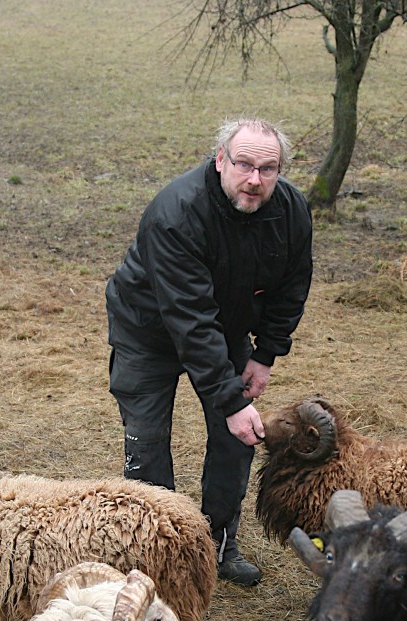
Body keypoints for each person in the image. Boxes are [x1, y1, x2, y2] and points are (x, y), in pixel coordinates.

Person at [105, 118, 314, 587]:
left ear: (280, 171)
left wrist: (265, 354)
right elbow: (189, 318)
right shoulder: (176, 212)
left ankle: (218, 544)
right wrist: (231, 400)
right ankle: (159, 554)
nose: (254, 179)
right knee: (147, 443)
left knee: (237, 439)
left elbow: (292, 286)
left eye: (267, 169)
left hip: (224, 326)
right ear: (220, 160)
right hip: (148, 331)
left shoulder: (291, 211)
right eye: (244, 165)